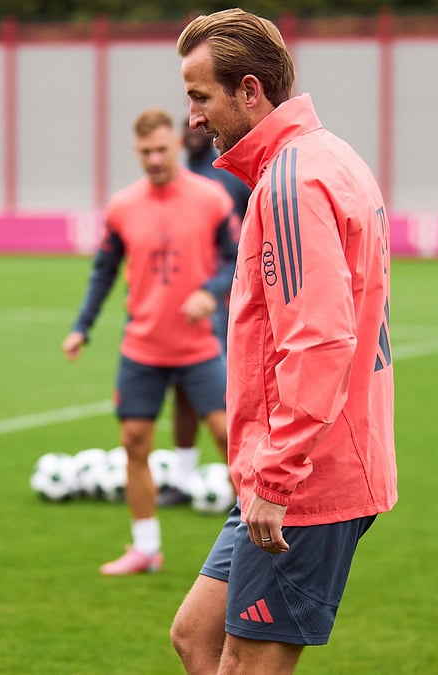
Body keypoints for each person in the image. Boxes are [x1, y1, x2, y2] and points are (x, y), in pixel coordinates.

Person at [170, 9, 397, 674]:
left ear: (249, 91)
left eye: (200, 97)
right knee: (196, 637)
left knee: (243, 662)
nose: (192, 119)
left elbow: (321, 340)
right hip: (284, 465)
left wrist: (276, 475)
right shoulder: (322, 156)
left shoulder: (294, 179)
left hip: (304, 473)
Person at [62, 107, 237, 575]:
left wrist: (210, 291)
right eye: (145, 151)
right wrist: (83, 325)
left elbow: (234, 260)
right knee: (134, 442)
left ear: (177, 146)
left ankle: (253, 546)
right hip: (142, 346)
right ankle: (146, 548)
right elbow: (103, 271)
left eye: (162, 148)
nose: (155, 158)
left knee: (227, 436)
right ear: (136, 151)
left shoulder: (212, 199)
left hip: (199, 344)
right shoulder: (122, 207)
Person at [157, 119, 255, 509]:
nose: (195, 132)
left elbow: (251, 227)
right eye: (188, 129)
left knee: (224, 391)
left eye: (202, 126)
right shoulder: (180, 181)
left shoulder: (228, 176)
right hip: (180, 301)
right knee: (182, 388)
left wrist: (235, 283)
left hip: (219, 298)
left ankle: (246, 483)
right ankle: (181, 479)